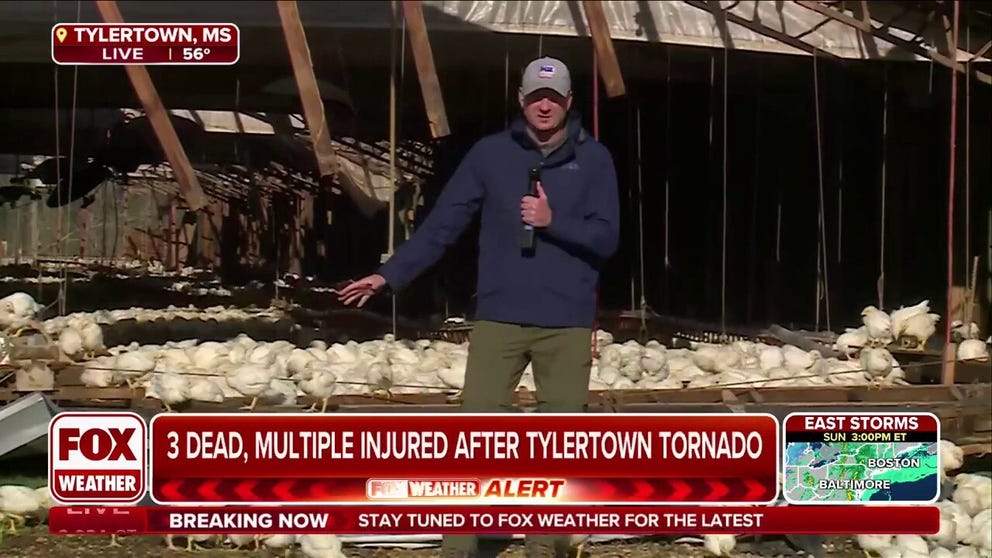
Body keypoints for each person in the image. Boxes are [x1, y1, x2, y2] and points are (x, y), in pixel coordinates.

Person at [336, 56, 621, 558]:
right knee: (474, 437)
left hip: (567, 325)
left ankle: (545, 547)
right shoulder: (490, 155)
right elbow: (444, 223)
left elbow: (606, 238)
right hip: (498, 320)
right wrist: (390, 273)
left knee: (557, 448)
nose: (545, 105)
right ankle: (460, 548)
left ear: (570, 102)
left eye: (554, 97)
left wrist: (554, 221)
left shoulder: (595, 160)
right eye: (536, 96)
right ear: (521, 99)